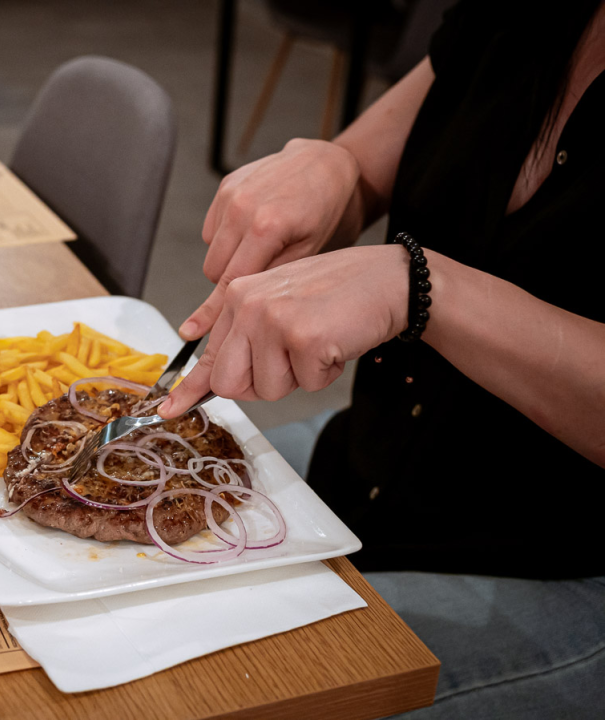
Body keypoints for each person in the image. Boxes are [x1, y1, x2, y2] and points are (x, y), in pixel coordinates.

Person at [159, 1, 605, 717]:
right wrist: (331, 167)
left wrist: (422, 288)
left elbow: (414, 284)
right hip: (372, 468)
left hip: (557, 565)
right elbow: (370, 162)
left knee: (196, 688)